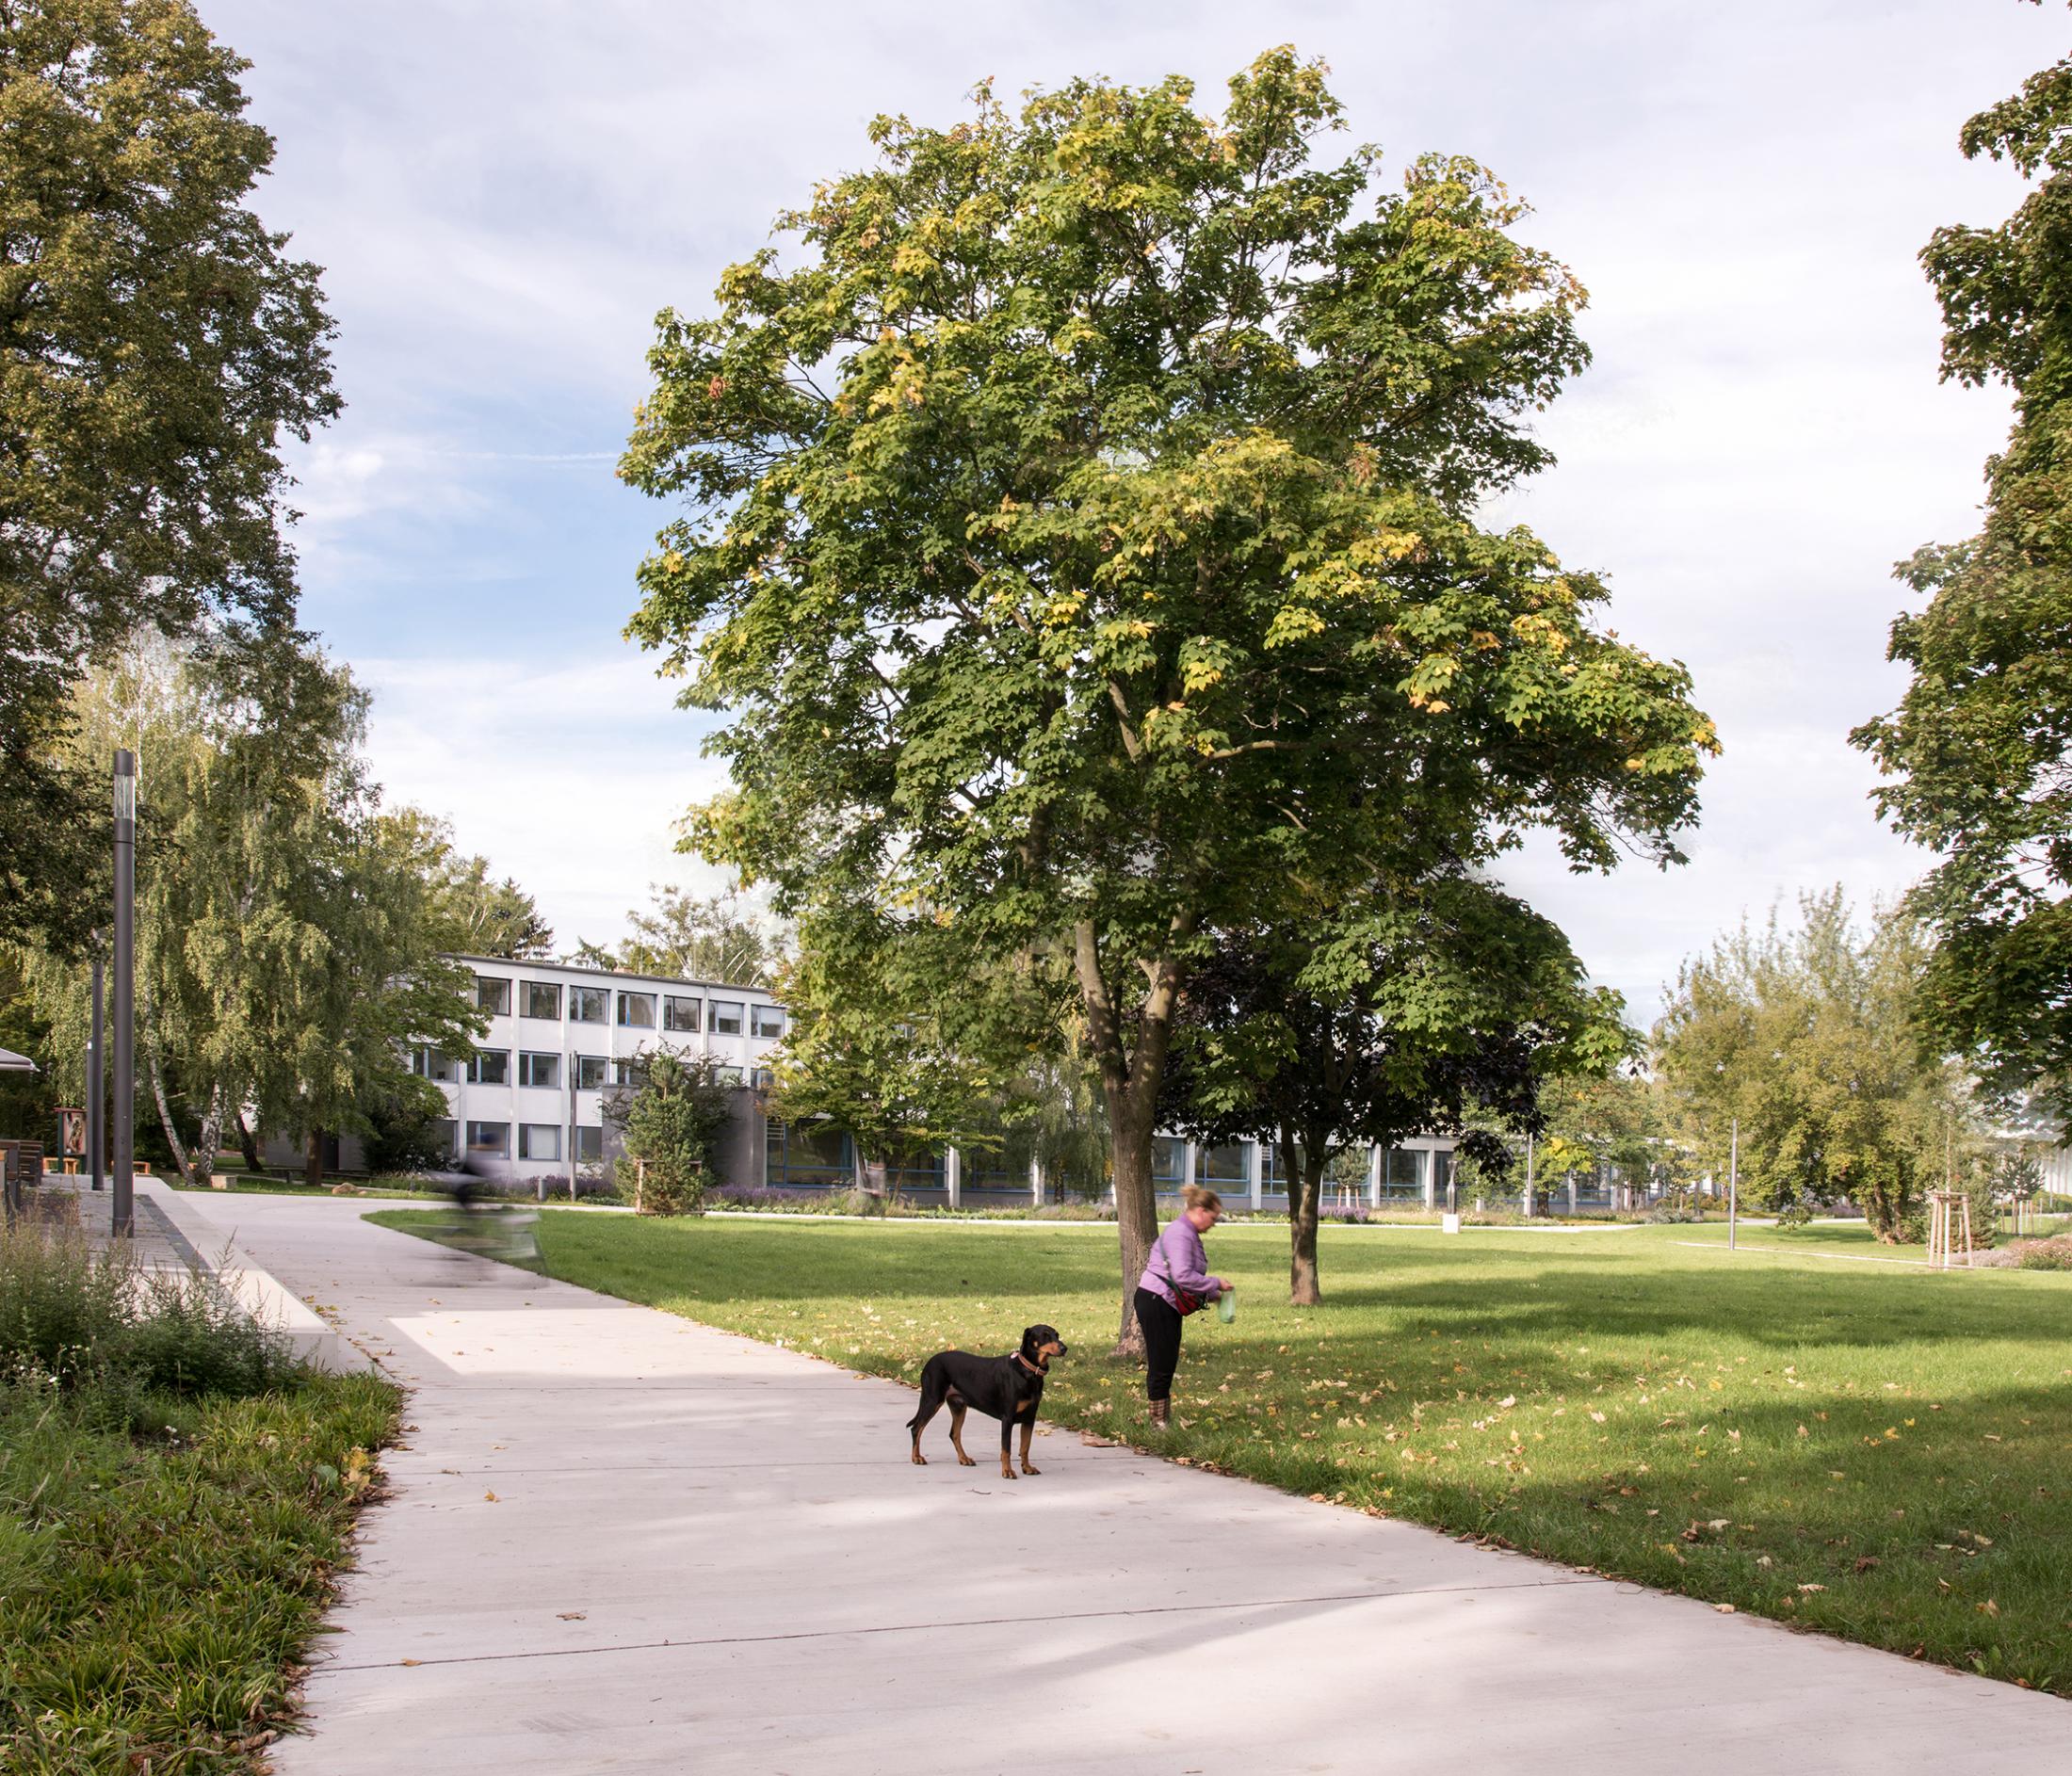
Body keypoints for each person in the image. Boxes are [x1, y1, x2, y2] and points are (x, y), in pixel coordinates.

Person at [1134, 1184, 1233, 1429]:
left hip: (1164, 1302)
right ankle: (1158, 1424)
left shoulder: (1188, 1232)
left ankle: (1161, 1420)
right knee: (1161, 1363)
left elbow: (1184, 1278)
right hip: (1156, 1300)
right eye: (1212, 1217)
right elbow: (1182, 1277)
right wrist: (1216, 1282)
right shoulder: (1181, 1233)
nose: (1214, 1223)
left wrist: (1213, 1294)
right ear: (1200, 1210)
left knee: (1166, 1361)